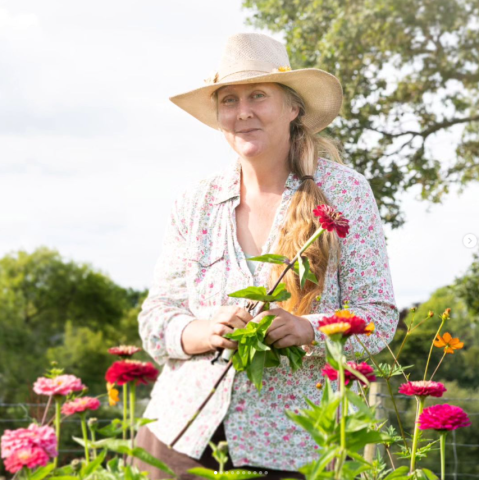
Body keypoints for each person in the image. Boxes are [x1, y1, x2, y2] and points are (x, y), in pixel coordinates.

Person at [134, 32, 399, 479]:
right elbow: (155, 318)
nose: (243, 112)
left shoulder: (345, 192)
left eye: (258, 95)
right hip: (178, 435)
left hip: (292, 445)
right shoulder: (195, 200)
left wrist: (308, 328)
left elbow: (379, 316)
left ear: (294, 108)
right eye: (229, 100)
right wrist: (202, 330)